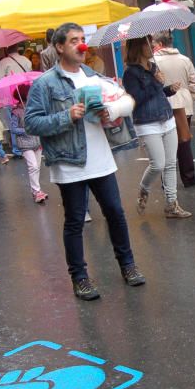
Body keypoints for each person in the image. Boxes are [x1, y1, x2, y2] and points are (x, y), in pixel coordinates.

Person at [24, 22, 146, 301]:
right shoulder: (45, 84)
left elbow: (126, 101)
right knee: (75, 221)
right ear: (59, 47)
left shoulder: (93, 77)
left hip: (101, 159)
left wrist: (110, 111)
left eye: (82, 39)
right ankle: (80, 278)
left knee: (115, 213)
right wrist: (67, 116)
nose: (81, 45)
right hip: (70, 163)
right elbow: (31, 123)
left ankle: (128, 266)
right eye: (73, 40)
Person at [122, 36, 192, 219]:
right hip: (147, 123)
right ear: (138, 47)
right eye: (147, 44)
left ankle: (171, 205)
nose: (151, 47)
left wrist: (169, 89)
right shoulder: (130, 73)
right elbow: (136, 98)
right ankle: (144, 189)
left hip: (166, 117)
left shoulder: (153, 67)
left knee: (170, 164)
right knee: (158, 164)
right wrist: (157, 83)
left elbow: (157, 93)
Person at [152, 30, 195, 187]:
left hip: (163, 106)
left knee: (165, 144)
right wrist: (187, 98)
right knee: (184, 142)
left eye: (153, 44)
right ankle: (189, 178)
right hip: (183, 106)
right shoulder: (185, 60)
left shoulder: (153, 62)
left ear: (159, 44)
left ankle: (167, 182)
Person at [10, 84, 46, 203]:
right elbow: (13, 129)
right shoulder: (16, 112)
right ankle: (36, 191)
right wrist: (26, 130)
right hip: (25, 144)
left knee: (37, 167)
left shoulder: (34, 108)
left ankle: (37, 189)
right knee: (33, 167)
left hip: (37, 141)